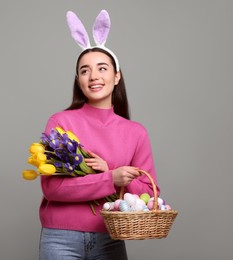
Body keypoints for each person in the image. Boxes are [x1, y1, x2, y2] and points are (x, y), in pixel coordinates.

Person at [38, 10, 159, 260]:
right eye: (85, 71)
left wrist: (113, 173)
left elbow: (149, 195)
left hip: (109, 239)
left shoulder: (135, 132)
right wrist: (109, 178)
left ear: (116, 76)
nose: (93, 76)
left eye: (102, 69)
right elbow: (53, 188)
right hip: (60, 238)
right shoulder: (60, 123)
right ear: (79, 80)